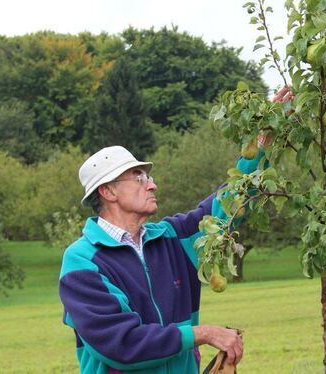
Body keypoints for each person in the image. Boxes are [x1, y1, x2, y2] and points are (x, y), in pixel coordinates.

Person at [59, 88, 292, 373]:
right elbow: (122, 344)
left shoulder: (172, 239)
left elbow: (229, 202)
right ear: (108, 191)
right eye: (139, 178)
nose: (152, 185)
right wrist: (203, 333)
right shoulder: (81, 262)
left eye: (149, 177)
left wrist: (262, 140)